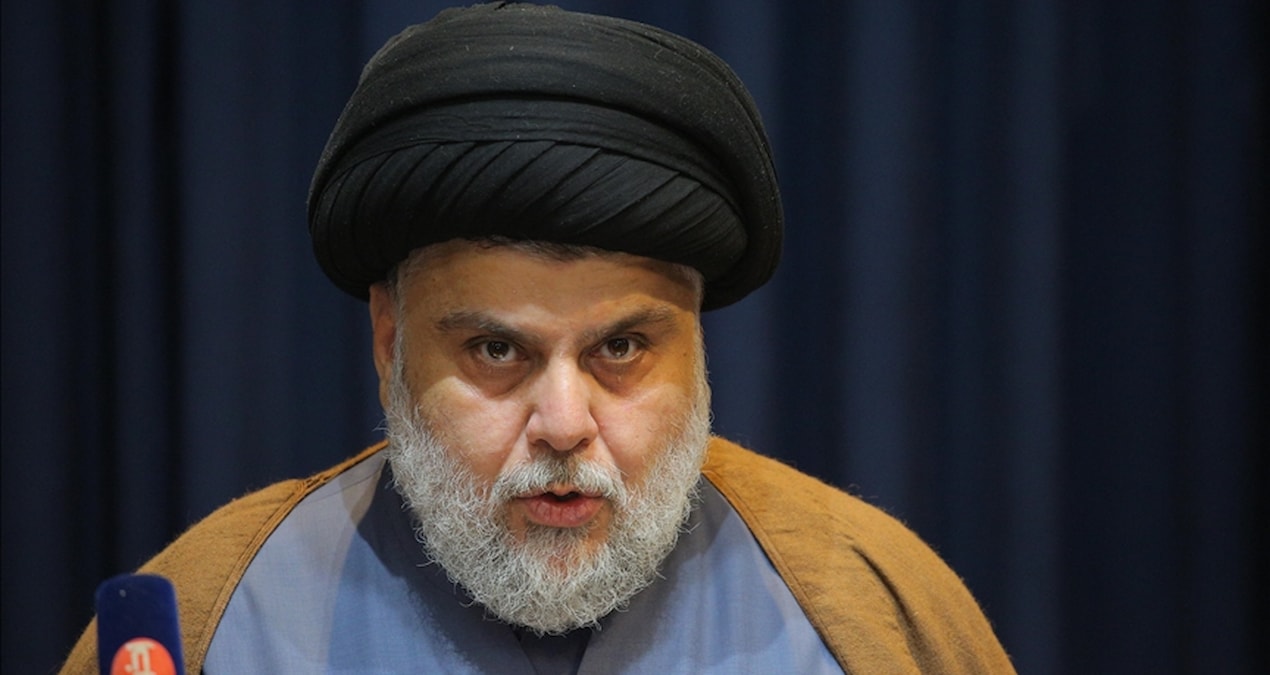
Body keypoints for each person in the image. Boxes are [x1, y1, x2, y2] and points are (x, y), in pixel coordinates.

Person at [63, 3, 1013, 673]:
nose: (564, 422)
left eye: (622, 349)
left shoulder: (876, 615)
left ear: (697, 347)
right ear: (389, 342)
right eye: (497, 351)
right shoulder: (201, 623)